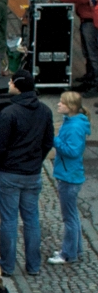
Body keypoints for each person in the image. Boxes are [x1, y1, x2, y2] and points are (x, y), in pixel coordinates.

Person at [51, 90, 89, 266]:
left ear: (71, 107)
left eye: (62, 102)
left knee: (69, 217)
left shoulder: (74, 127)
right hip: (70, 174)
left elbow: (73, 151)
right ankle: (75, 249)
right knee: (72, 216)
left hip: (69, 176)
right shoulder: (73, 122)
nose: (58, 104)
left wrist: (55, 140)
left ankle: (68, 253)